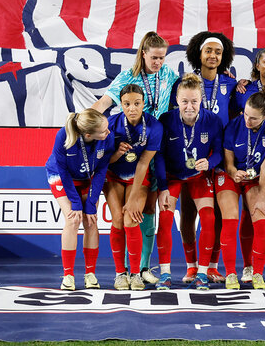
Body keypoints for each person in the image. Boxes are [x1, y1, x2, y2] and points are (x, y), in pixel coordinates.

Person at [91, 31, 178, 286]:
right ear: (143, 53)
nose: (158, 62)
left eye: (162, 58)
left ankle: (142, 269)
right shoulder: (126, 77)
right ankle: (124, 271)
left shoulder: (169, 74)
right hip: (129, 150)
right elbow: (103, 104)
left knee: (147, 212)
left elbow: (189, 85)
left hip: (154, 146)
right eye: (154, 57)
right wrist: (80, 124)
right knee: (125, 217)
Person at [155, 74, 223, 290]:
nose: (189, 106)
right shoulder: (166, 120)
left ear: (201, 99)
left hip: (198, 177)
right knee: (165, 219)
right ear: (177, 99)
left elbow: (220, 152)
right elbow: (158, 156)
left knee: (209, 218)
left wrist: (209, 162)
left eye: (194, 101)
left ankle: (202, 272)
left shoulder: (212, 120)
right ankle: (165, 274)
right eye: (184, 101)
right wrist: (163, 187)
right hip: (173, 176)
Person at [217, 88, 265, 290]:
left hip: (256, 177)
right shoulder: (233, 126)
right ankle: (230, 274)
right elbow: (227, 163)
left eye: (253, 118)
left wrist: (263, 194)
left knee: (261, 219)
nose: (247, 120)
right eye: (245, 114)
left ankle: (258, 274)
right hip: (230, 175)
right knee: (230, 219)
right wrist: (234, 171)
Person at [46, 108, 115, 290]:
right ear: (88, 134)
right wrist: (76, 203)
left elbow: (101, 171)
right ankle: (68, 275)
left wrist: (91, 204)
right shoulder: (63, 136)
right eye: (103, 131)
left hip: (88, 177)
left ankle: (90, 274)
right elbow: (62, 170)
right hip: (62, 176)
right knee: (72, 219)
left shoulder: (108, 138)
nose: (108, 133)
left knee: (91, 221)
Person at [105, 85, 162, 290]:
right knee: (118, 220)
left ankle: (136, 273)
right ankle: (120, 274)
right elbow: (104, 161)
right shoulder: (111, 124)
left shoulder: (154, 127)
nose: (132, 108)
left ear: (143, 104)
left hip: (139, 177)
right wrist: (117, 154)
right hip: (113, 176)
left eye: (137, 103)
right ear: (121, 105)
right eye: (127, 104)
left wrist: (132, 198)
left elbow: (143, 163)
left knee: (131, 218)